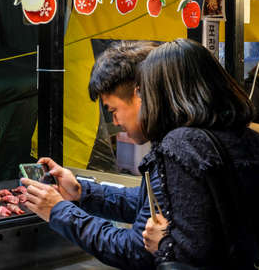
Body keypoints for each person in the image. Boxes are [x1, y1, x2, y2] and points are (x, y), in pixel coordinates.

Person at [21, 41, 163, 270]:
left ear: (140, 95)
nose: (115, 122)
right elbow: (145, 202)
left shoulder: (181, 150)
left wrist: (59, 211)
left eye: (114, 110)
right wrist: (81, 191)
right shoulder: (175, 142)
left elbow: (135, 251)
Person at [140, 39, 259, 268]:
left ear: (162, 95)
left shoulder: (182, 144)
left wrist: (163, 243)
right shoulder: (253, 139)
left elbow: (194, 251)